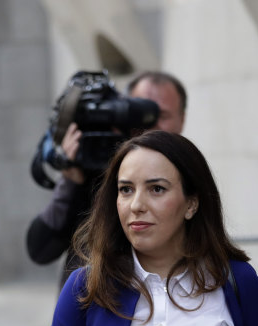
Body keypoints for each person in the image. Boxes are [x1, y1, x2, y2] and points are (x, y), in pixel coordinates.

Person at [45, 130, 258, 326]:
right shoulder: (83, 288)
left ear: (191, 204)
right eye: (126, 189)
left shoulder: (237, 281)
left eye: (156, 189)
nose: (136, 205)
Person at [26, 71, 187, 288]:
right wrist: (71, 180)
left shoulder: (192, 175)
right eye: (139, 113)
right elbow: (40, 249)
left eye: (161, 116)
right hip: (91, 305)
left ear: (182, 119)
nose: (150, 127)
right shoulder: (96, 170)